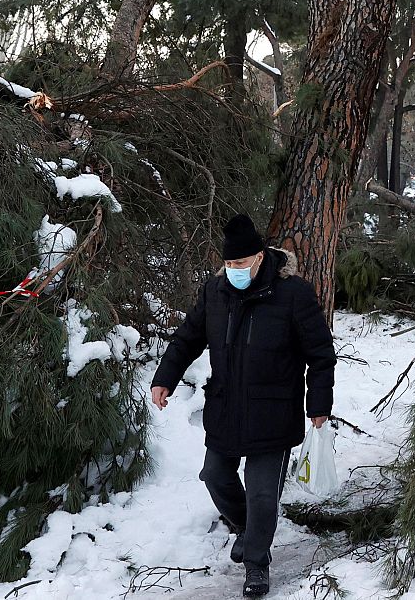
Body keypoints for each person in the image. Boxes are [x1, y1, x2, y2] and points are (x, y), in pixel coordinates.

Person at [149, 213, 336, 598]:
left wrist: (318, 403)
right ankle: (250, 531)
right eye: (228, 264)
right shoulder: (215, 292)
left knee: (263, 494)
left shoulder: (293, 294)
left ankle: (256, 564)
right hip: (226, 409)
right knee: (215, 476)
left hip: (274, 412)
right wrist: (164, 377)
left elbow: (320, 354)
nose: (233, 270)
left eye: (240, 263)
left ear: (260, 257)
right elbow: (188, 338)